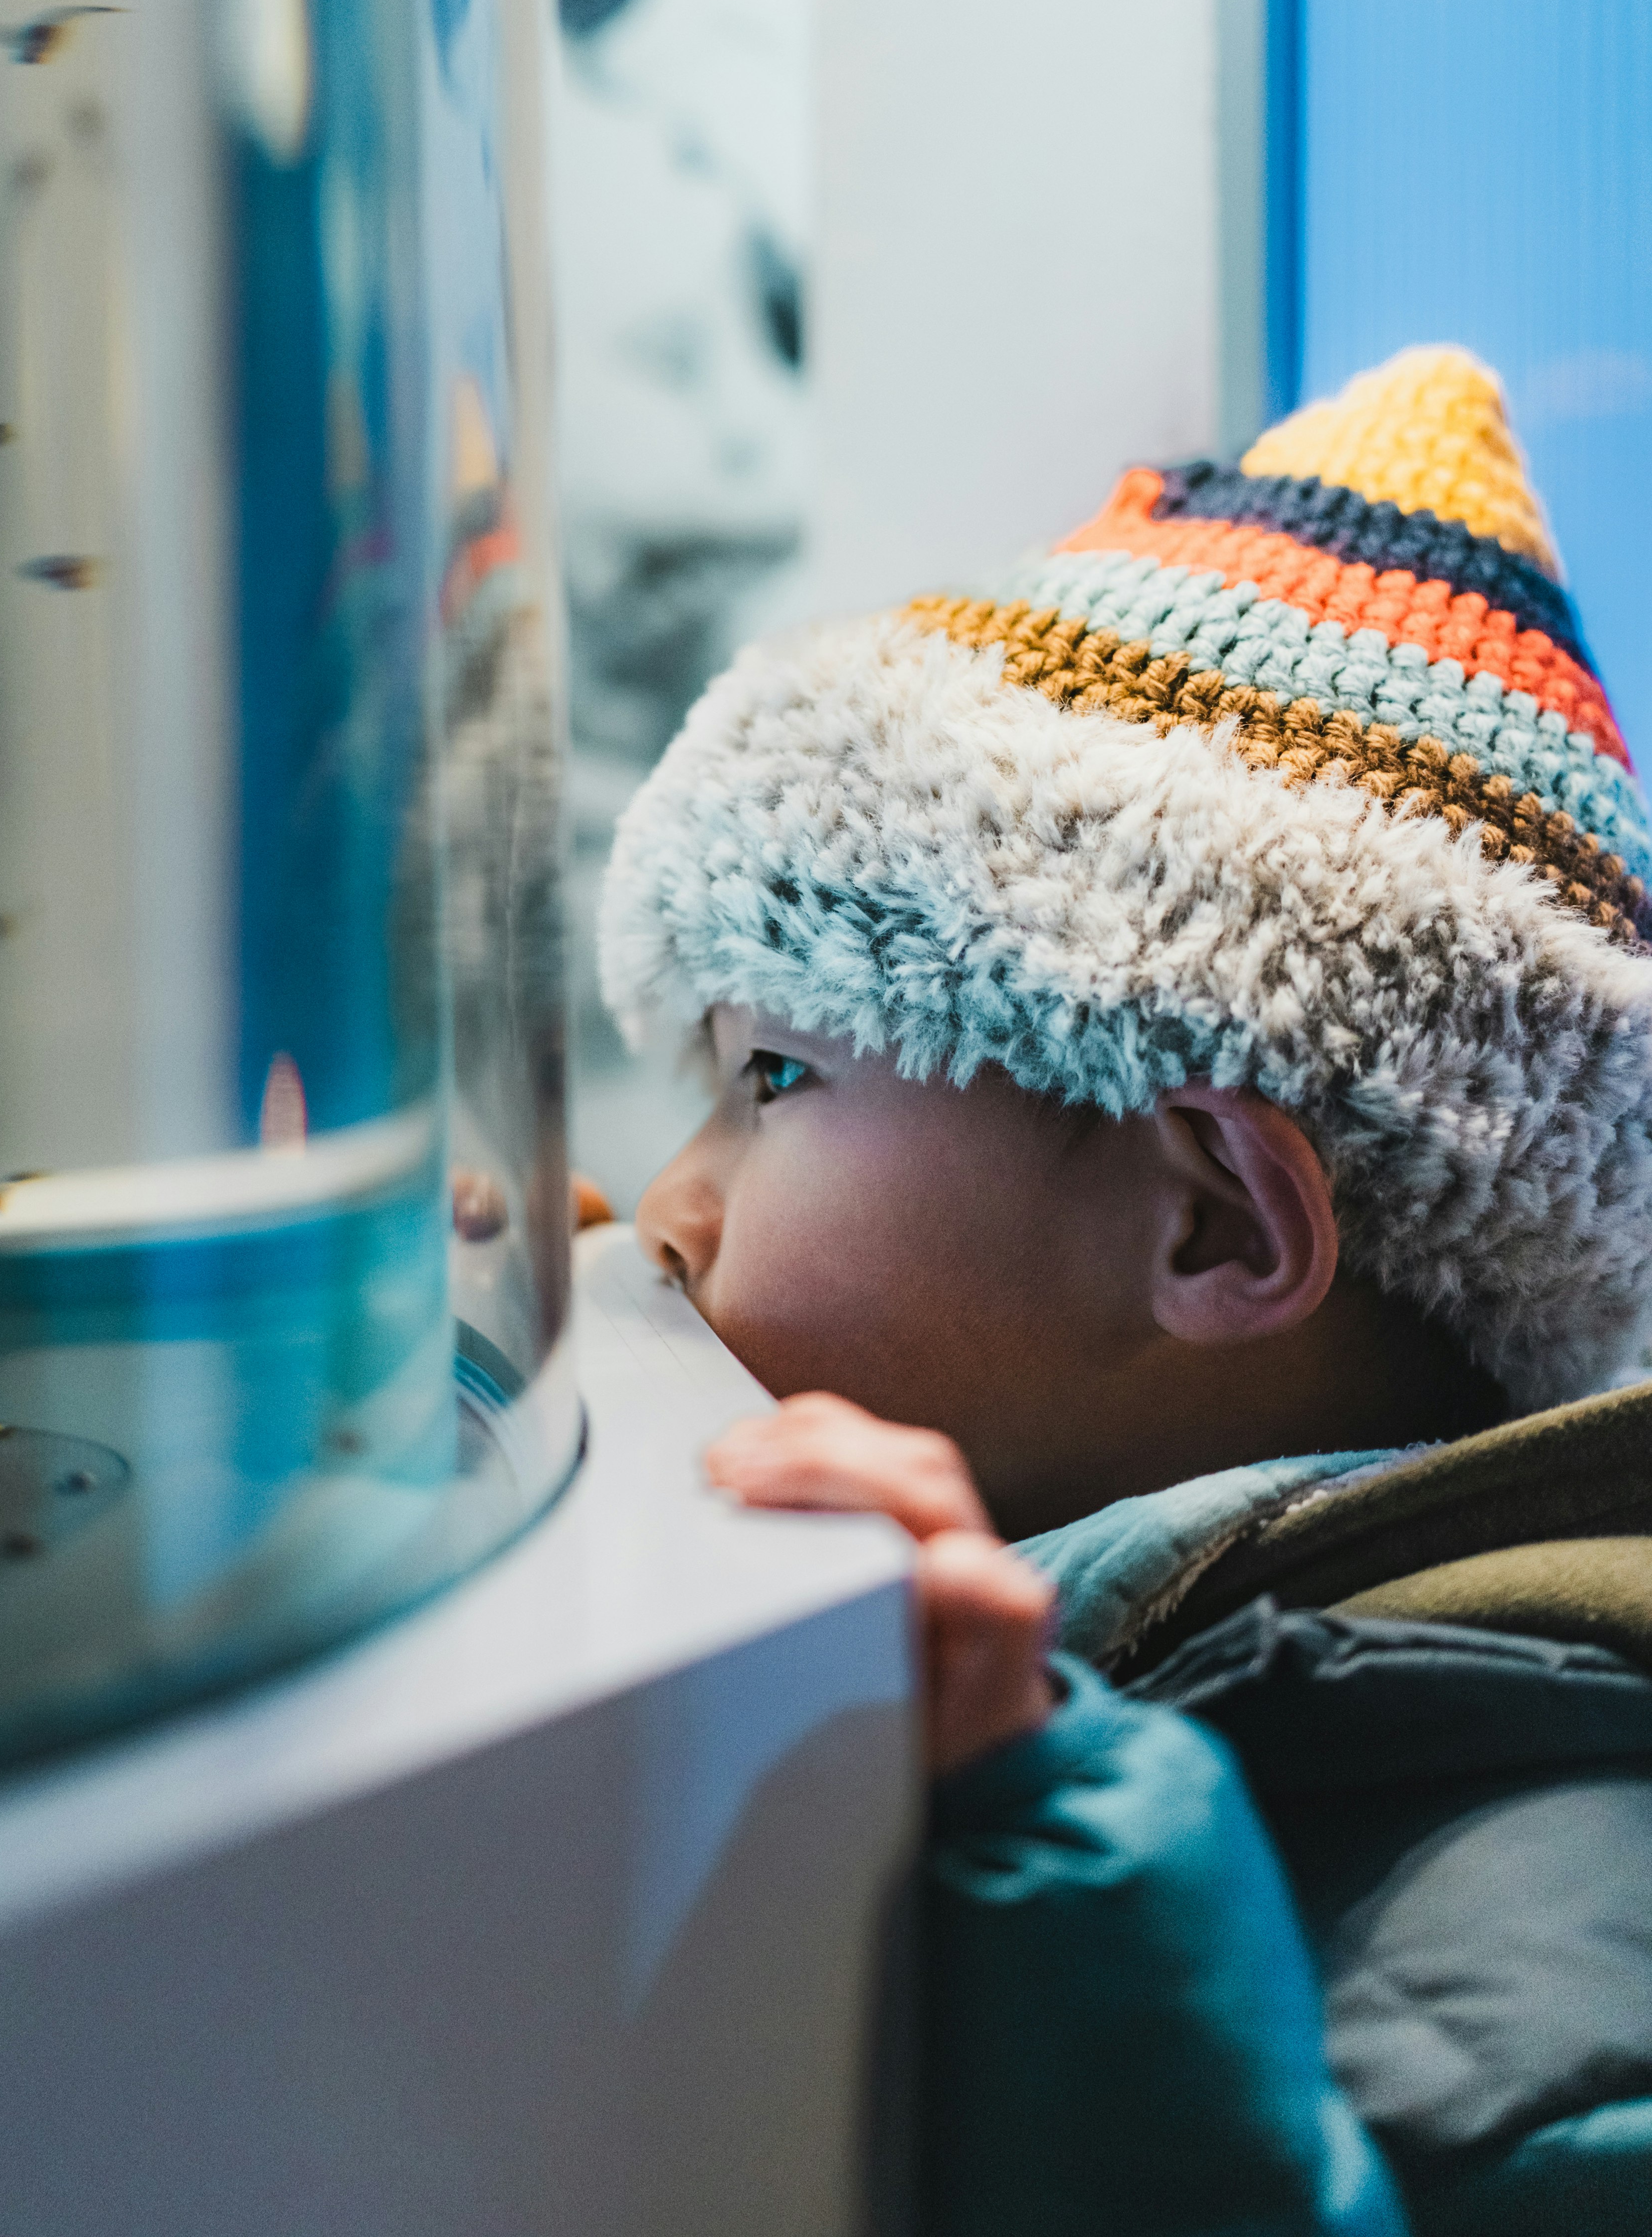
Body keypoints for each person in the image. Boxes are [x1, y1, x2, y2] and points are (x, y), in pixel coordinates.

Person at [601, 347, 1652, 2234]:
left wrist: (1065, 1852)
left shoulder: (1545, 1952)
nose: (673, 1215)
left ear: (1218, 1230)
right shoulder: (1273, 1666)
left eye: (774, 1082)